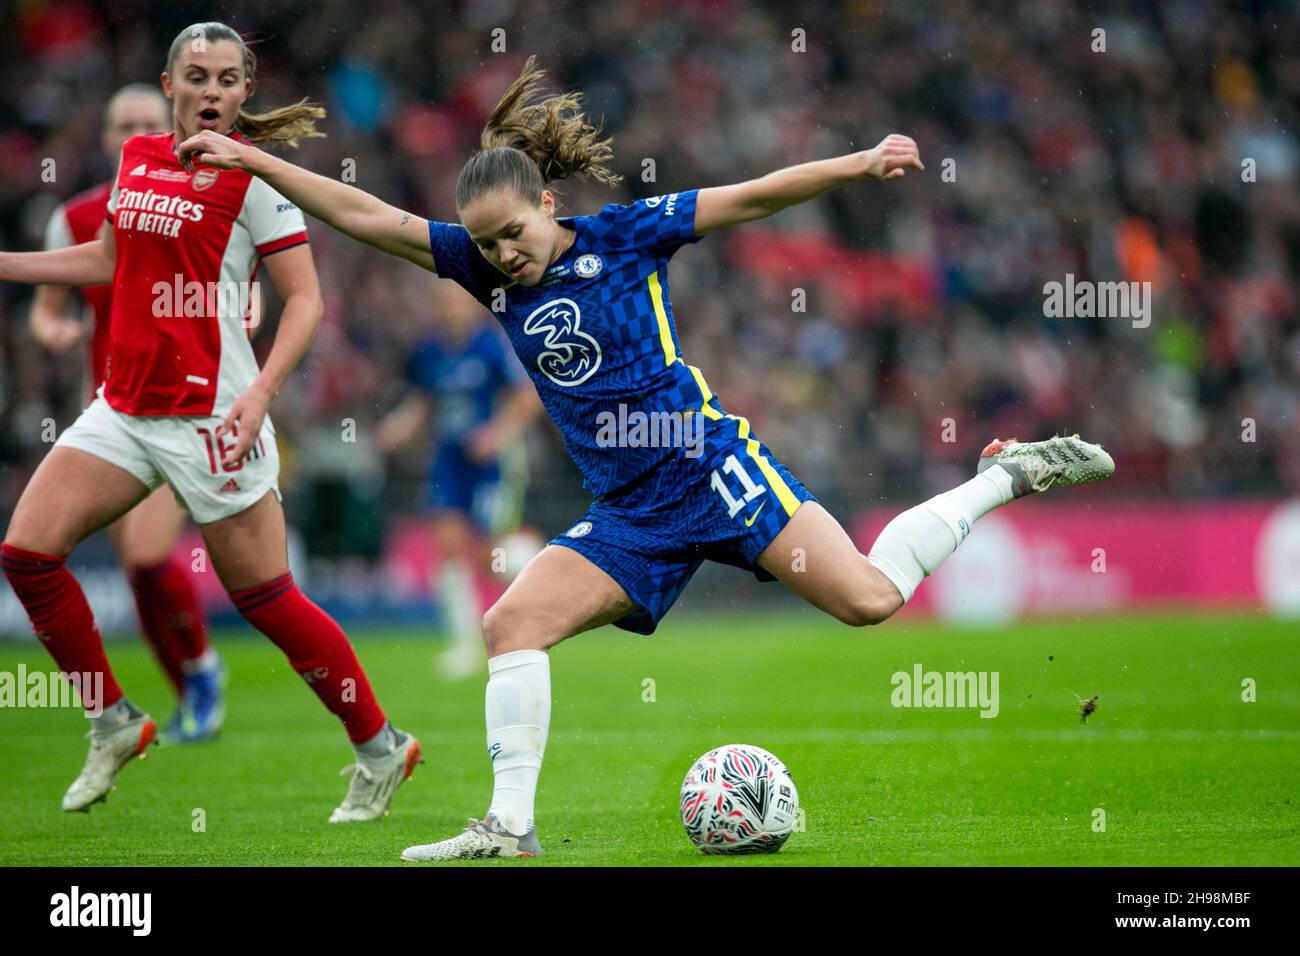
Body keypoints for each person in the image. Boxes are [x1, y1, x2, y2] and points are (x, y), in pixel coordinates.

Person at [177, 55, 1115, 860]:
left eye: (516, 233)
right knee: (511, 627)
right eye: (491, 242)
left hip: (713, 472)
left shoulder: (630, 234)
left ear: (550, 205)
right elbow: (367, 215)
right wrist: (251, 160)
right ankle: (509, 828)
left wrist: (859, 163)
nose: (504, 254)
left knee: (871, 599)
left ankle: (1006, 474)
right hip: (627, 514)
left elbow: (752, 196)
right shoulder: (473, 267)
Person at [0, 21, 420, 821]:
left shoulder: (257, 181)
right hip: (123, 409)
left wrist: (258, 396)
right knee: (27, 555)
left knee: (267, 600)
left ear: (243, 92)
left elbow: (306, 300)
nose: (212, 92)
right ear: (169, 87)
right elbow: (108, 263)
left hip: (212, 417)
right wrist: (7, 267)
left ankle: (379, 744)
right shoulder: (137, 159)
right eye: (197, 76)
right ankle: (113, 717)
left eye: (228, 80)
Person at [30, 82, 225, 743]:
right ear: (108, 135)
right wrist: (52, 330)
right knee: (138, 577)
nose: (134, 130)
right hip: (107, 412)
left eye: (146, 120)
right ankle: (190, 697)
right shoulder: (77, 218)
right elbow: (49, 309)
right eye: (123, 122)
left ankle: (203, 668)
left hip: (177, 407)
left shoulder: (196, 201)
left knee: (147, 557)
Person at [376, 279, 541, 679]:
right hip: (448, 461)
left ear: (472, 307)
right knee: (447, 548)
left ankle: (540, 560)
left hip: (491, 464)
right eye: (444, 302)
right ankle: (464, 646)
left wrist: (496, 434)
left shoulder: (490, 346)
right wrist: (399, 427)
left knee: (490, 559)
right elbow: (424, 399)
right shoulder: (430, 350)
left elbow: (527, 398)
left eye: (457, 302)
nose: (450, 309)